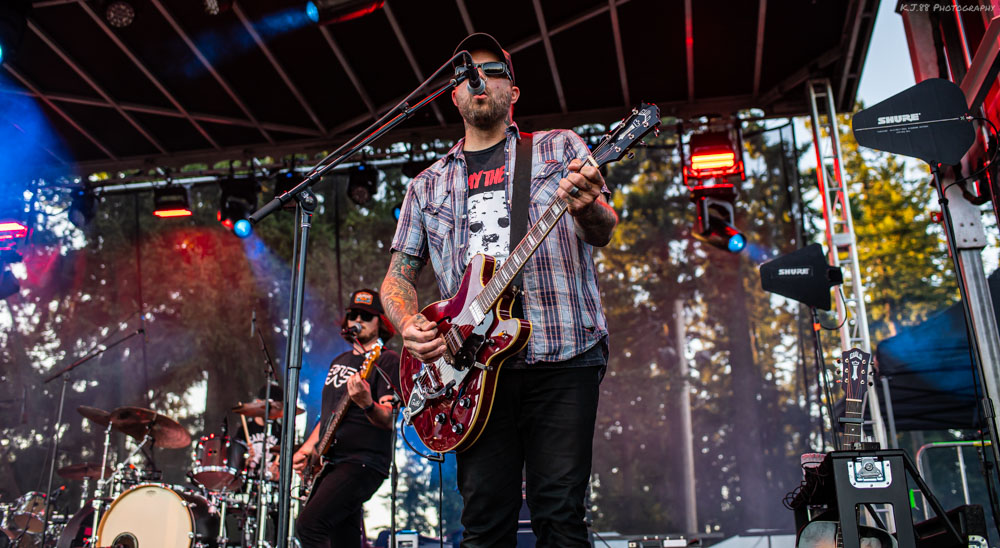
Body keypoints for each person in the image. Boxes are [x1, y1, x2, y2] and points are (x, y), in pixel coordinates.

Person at [381, 33, 616, 547]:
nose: (478, 78)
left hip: (563, 354)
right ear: (453, 95)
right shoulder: (427, 184)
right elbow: (398, 275)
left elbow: (602, 228)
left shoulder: (559, 148)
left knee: (560, 514)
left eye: (491, 70)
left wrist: (588, 206)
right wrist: (408, 324)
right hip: (472, 371)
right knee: (484, 524)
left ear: (513, 92)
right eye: (467, 72)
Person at [291, 289, 400, 548]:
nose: (357, 320)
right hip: (333, 461)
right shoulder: (338, 361)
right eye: (353, 315)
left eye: (366, 316)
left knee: (310, 525)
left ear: (380, 323)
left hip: (363, 461)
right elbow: (328, 417)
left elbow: (389, 420)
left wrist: (367, 404)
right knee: (343, 539)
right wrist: (308, 450)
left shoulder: (387, 360)